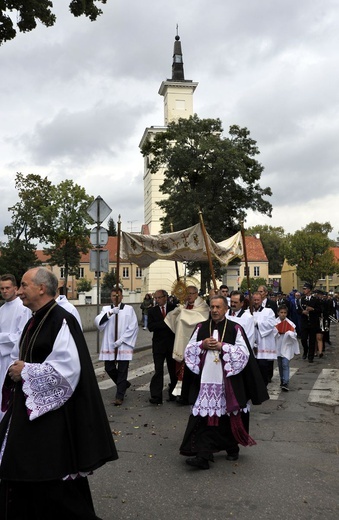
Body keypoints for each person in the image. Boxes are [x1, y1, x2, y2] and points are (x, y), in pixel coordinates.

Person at [0, 267, 117, 519]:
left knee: (50, 472)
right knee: (23, 465)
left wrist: (27, 371)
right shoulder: (35, 318)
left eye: (24, 285)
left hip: (52, 413)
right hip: (31, 406)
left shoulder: (60, 318)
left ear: (41, 288)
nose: (19, 291)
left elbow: (67, 369)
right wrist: (17, 366)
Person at [179, 295, 269, 470]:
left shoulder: (235, 328)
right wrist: (202, 345)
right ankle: (203, 455)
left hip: (227, 381)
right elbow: (189, 350)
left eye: (218, 307)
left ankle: (231, 446)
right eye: (212, 307)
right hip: (205, 381)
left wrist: (223, 347)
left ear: (226, 309)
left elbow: (244, 353)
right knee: (203, 417)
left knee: (227, 416)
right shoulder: (201, 327)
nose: (214, 310)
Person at [165, 285, 209, 404]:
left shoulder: (203, 306)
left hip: (196, 343)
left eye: (191, 293)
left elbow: (201, 319)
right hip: (183, 342)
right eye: (187, 294)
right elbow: (173, 318)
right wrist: (180, 311)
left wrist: (184, 314)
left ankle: (193, 394)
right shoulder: (184, 306)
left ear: (196, 294)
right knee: (181, 369)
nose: (189, 296)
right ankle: (181, 394)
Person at [95, 287, 138, 406]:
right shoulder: (106, 309)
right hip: (109, 343)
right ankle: (123, 384)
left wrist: (121, 340)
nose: (116, 298)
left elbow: (133, 326)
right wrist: (110, 313)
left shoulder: (129, 309)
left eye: (118, 295)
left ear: (122, 296)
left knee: (122, 370)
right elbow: (99, 324)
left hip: (123, 344)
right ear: (111, 297)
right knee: (109, 368)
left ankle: (119, 396)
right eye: (114, 295)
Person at [0, 274, 31, 421]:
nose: (4, 291)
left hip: (12, 359)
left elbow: (21, 336)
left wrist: (1, 338)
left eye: (7, 288)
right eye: (1, 288)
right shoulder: (2, 309)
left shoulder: (23, 307)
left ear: (15, 288)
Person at [147, 289, 177, 404]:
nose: (157, 300)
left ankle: (174, 393)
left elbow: (176, 323)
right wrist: (165, 323)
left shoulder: (173, 308)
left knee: (172, 370)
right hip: (158, 345)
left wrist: (166, 324)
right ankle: (156, 396)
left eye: (159, 297)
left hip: (171, 344)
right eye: (156, 298)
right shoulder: (152, 311)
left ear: (165, 297)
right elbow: (151, 326)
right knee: (158, 370)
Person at [252, 291, 277, 386]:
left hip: (263, 343)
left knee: (263, 366)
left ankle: (264, 385)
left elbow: (271, 324)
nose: (256, 302)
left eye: (258, 300)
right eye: (254, 300)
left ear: (261, 300)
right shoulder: (248, 312)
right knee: (254, 367)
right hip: (252, 343)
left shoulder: (268, 311)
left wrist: (258, 324)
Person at [273, 304, 300, 391]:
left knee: (285, 364)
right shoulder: (274, 322)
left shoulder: (290, 323)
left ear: (287, 313)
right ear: (278, 313)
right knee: (280, 365)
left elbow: (294, 334)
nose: (283, 314)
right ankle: (282, 380)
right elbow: (271, 334)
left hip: (286, 347)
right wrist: (278, 332)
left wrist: (289, 333)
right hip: (278, 346)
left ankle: (286, 382)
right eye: (281, 312)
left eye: (285, 313)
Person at [297, 283, 320, 363]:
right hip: (304, 322)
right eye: (303, 289)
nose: (304, 290)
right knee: (303, 339)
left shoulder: (315, 299)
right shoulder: (301, 300)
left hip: (313, 322)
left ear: (309, 290)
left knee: (312, 340)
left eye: (305, 289)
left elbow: (320, 310)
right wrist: (302, 312)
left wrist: (312, 309)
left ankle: (311, 356)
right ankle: (305, 350)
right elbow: (298, 310)